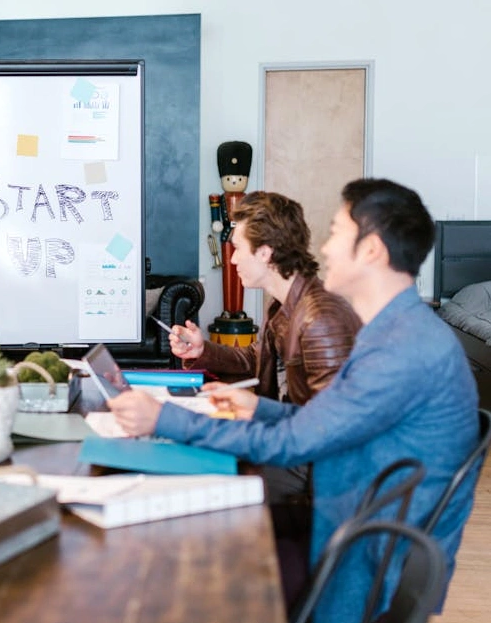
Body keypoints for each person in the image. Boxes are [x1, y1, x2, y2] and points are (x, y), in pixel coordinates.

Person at [109, 178, 479, 622]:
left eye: (337, 233)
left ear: (373, 250)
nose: (323, 249)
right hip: (355, 519)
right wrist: (258, 407)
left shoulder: (401, 350)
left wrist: (163, 419)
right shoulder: (398, 331)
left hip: (361, 558)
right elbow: (328, 420)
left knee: (186, 555)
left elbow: (297, 442)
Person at [172, 190, 362, 605]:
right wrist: (202, 350)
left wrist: (253, 411)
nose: (232, 259)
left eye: (238, 248)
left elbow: (336, 431)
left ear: (266, 252)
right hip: (301, 457)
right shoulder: (285, 307)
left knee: (206, 485)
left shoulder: (320, 318)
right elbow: (255, 361)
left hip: (321, 478)